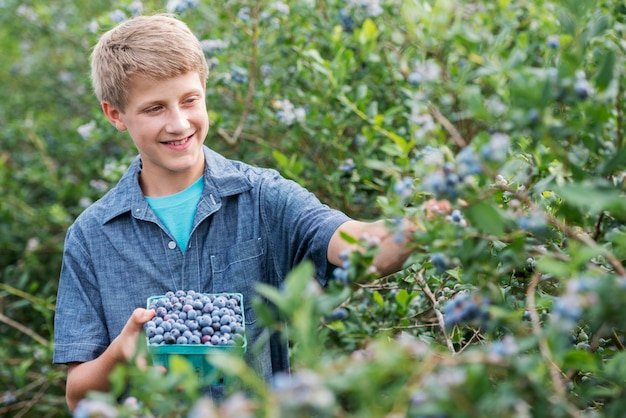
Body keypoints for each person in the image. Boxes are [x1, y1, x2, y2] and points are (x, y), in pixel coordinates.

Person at [53, 13, 416, 412]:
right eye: (155, 108)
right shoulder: (92, 236)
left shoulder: (262, 197)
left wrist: (418, 227)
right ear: (115, 115)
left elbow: (361, 246)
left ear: (205, 90)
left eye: (190, 100)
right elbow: (78, 398)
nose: (179, 123)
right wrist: (121, 351)